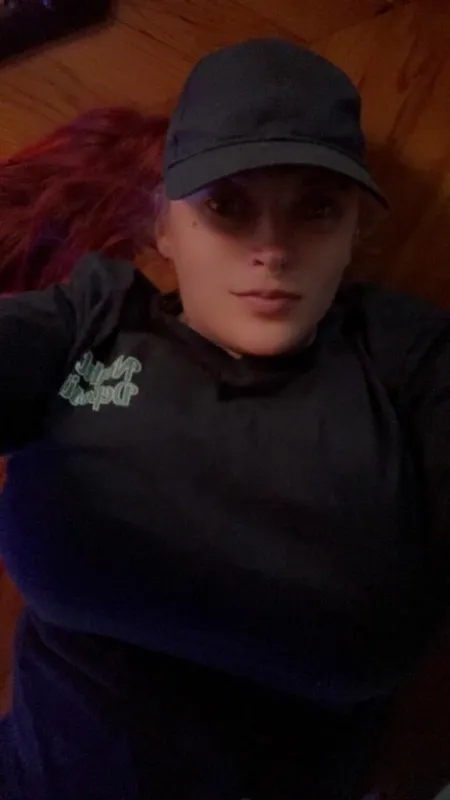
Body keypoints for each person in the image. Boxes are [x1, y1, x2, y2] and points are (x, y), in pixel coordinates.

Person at [0, 37, 449, 800]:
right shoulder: (97, 319)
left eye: (316, 208)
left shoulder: (405, 360)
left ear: (354, 234)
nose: (271, 249)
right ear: (164, 230)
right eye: (227, 206)